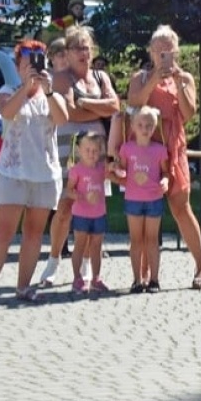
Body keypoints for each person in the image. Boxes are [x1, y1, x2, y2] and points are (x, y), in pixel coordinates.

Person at [0, 40, 70, 305]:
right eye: (28, 64)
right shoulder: (8, 91)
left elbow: (61, 119)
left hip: (45, 174)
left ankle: (23, 287)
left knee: (34, 232)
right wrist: (26, 88)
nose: (35, 69)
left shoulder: (53, 96)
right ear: (17, 66)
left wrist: (46, 91)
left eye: (39, 62)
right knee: (2, 231)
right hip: (13, 171)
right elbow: (7, 111)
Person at [119, 24, 201, 290]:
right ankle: (145, 273)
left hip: (173, 145)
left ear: (176, 52)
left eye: (167, 50)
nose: (162, 55)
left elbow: (188, 112)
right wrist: (155, 79)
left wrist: (178, 82)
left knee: (181, 207)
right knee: (146, 211)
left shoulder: (186, 78)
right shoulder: (141, 77)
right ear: (151, 52)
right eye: (158, 50)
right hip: (146, 147)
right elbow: (134, 104)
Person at [38, 26, 120, 289]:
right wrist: (95, 109)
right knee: (65, 207)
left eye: (87, 47)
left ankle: (85, 265)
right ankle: (53, 260)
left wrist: (85, 104)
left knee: (92, 205)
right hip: (69, 147)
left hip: (96, 149)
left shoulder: (100, 76)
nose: (83, 53)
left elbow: (115, 106)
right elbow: (70, 112)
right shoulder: (61, 78)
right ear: (68, 53)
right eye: (77, 48)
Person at [115, 107, 171, 293]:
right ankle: (137, 280)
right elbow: (122, 171)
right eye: (140, 124)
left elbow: (165, 171)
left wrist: (165, 180)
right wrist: (118, 172)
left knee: (152, 240)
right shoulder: (127, 148)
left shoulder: (159, 150)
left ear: (154, 127)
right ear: (133, 126)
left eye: (148, 125)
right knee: (136, 240)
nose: (144, 128)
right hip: (133, 199)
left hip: (154, 198)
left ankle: (154, 279)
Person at [64, 131, 110, 295]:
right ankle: (77, 278)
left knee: (96, 247)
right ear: (80, 151)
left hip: (99, 213)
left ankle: (96, 278)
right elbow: (69, 190)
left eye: (95, 151)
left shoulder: (102, 169)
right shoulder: (76, 170)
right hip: (81, 213)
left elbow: (113, 174)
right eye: (87, 150)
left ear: (100, 151)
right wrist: (81, 196)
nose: (91, 154)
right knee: (80, 245)